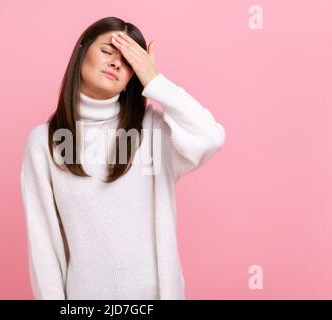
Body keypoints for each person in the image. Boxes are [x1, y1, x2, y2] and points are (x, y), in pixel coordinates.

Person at [20, 17, 226, 300]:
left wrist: (155, 80)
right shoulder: (44, 142)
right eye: (108, 51)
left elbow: (210, 137)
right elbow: (42, 246)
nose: (117, 63)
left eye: (129, 60)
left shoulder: (153, 130)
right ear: (82, 52)